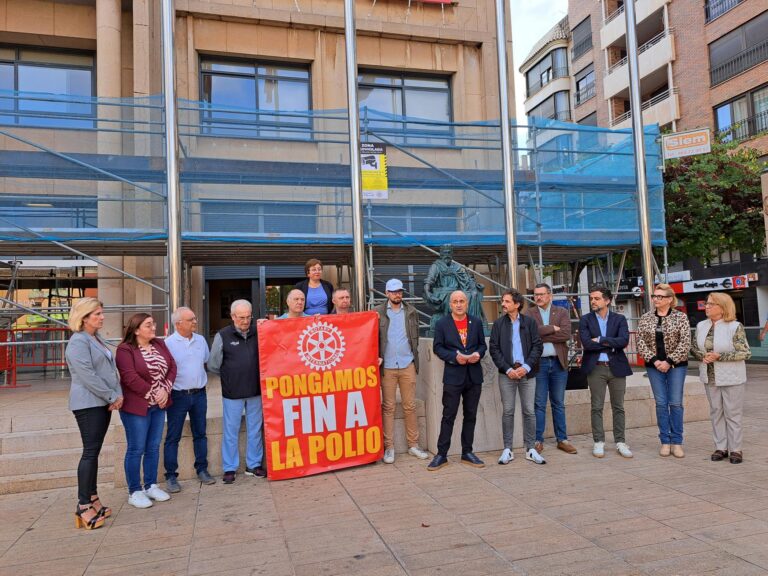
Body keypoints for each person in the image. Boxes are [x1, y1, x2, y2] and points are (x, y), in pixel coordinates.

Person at [66, 298, 123, 530]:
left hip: (101, 403)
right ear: (84, 317)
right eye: (97, 314)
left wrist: (115, 393)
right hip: (88, 404)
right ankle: (82, 505)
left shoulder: (95, 338)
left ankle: (93, 498)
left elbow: (110, 370)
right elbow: (87, 376)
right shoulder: (78, 342)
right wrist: (112, 396)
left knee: (95, 451)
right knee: (89, 453)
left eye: (101, 313)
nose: (101, 317)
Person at [116, 313, 176, 508]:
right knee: (136, 448)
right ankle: (135, 490)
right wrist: (154, 393)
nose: (153, 327)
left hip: (158, 405)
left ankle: (151, 485)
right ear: (136, 330)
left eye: (153, 323)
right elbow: (129, 377)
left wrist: (165, 390)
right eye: (148, 325)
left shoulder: (159, 343)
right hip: (137, 407)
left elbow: (172, 366)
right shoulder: (125, 350)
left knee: (153, 446)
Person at [427, 290, 487, 471]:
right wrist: (454, 357)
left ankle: (467, 452)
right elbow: (437, 347)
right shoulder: (442, 324)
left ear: (467, 304)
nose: (459, 304)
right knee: (448, 415)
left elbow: (482, 345)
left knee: (471, 415)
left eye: (462, 301)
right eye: (455, 301)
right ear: (450, 304)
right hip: (453, 376)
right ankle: (441, 454)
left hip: (473, 376)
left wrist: (478, 353)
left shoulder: (476, 322)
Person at [209, 299, 264, 483]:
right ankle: (230, 468)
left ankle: (254, 465)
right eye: (241, 317)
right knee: (231, 431)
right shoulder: (222, 335)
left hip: (256, 391)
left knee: (255, 430)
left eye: (249, 317)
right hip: (232, 393)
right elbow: (214, 365)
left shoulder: (259, 331)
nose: (245, 321)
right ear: (233, 317)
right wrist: (231, 376)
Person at [691, 292, 751, 464]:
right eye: (706, 303)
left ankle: (736, 449)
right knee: (716, 412)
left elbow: (745, 352)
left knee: (733, 413)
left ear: (722, 307)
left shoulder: (734, 326)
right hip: (709, 377)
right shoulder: (702, 325)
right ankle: (720, 447)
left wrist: (719, 356)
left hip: (731, 377)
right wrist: (702, 356)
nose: (706, 307)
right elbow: (694, 348)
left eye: (711, 304)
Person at [375, 278, 429, 464]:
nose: (397, 294)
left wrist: (414, 360)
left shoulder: (411, 311)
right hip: (387, 366)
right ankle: (388, 447)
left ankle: (413, 445)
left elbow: (414, 337)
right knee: (388, 407)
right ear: (387, 294)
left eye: (400, 291)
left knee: (410, 406)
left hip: (407, 364)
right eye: (394, 291)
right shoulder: (377, 313)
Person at [163, 307, 215, 493]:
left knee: (200, 433)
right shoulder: (168, 344)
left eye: (194, 318)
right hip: (178, 396)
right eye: (190, 319)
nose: (195, 321)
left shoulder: (200, 340)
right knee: (173, 437)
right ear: (178, 324)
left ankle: (202, 469)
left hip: (200, 394)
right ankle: (170, 476)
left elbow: (205, 361)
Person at [636, 284, 691, 458]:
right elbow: (640, 342)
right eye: (654, 296)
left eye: (660, 296)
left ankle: (677, 442)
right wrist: (655, 360)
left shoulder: (680, 317)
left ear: (669, 299)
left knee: (675, 403)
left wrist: (668, 361)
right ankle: (665, 441)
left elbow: (685, 342)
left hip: (676, 366)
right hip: (654, 367)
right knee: (661, 404)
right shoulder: (646, 318)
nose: (656, 299)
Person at [490, 289, 544, 465]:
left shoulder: (529, 322)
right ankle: (507, 449)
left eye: (507, 301)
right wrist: (507, 369)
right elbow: (494, 349)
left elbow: (537, 346)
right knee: (508, 411)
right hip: (507, 374)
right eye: (503, 301)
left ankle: (530, 449)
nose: (503, 304)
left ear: (517, 304)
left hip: (527, 373)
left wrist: (527, 367)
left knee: (529, 411)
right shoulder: (498, 324)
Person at [579, 286, 633, 459]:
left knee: (619, 406)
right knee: (597, 406)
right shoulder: (586, 319)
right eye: (591, 298)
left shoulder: (619, 319)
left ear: (607, 300)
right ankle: (599, 441)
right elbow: (587, 344)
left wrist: (601, 339)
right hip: (595, 367)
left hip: (617, 366)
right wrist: (611, 342)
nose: (593, 301)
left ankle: (620, 441)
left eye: (596, 298)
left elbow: (623, 341)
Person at [525, 283, 576, 455]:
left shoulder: (561, 312)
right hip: (539, 364)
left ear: (550, 295)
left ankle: (562, 439)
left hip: (558, 363)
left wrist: (542, 334)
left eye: (541, 294)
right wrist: (552, 329)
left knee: (558, 403)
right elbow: (530, 334)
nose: (537, 297)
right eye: (535, 294)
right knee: (538, 403)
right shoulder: (529, 313)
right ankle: (537, 440)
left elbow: (566, 334)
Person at [424, 244, 487, 334]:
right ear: (441, 254)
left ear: (452, 254)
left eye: (449, 253)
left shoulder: (457, 267)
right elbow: (428, 281)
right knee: (455, 298)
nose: (447, 255)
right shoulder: (436, 266)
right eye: (445, 253)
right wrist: (428, 294)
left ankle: (473, 325)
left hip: (457, 292)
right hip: (443, 294)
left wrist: (475, 286)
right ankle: (453, 324)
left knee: (473, 295)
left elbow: (467, 280)